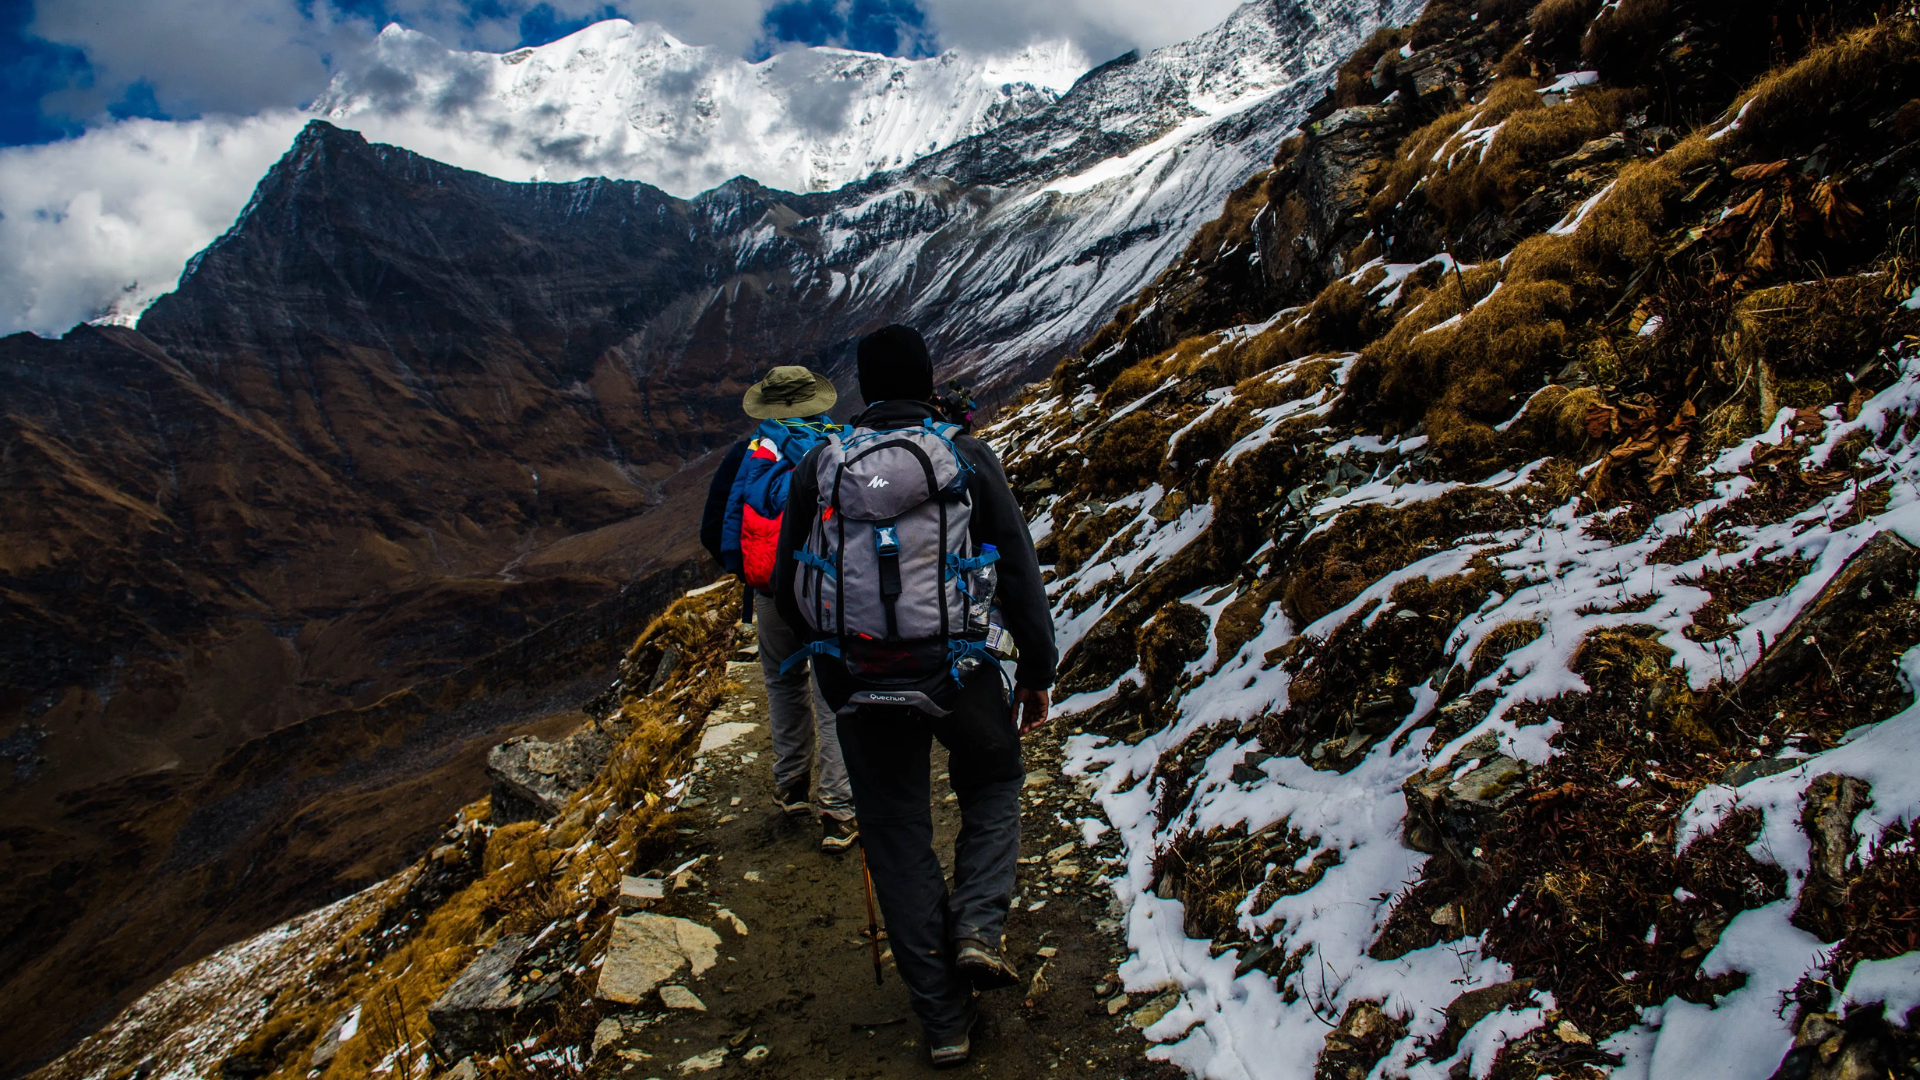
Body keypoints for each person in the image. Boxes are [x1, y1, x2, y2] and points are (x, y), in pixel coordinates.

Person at [773, 325, 1056, 1068]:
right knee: (994, 780)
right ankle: (977, 931)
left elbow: (787, 585)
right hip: (956, 671)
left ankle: (944, 1024)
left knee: (897, 836)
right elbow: (1018, 568)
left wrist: (833, 664)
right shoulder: (964, 458)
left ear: (864, 390)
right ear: (929, 381)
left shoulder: (820, 467)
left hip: (860, 681)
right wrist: (1036, 667)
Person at [702, 364, 859, 854]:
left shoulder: (748, 453)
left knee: (782, 682)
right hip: (830, 592)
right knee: (833, 691)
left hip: (771, 592)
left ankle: (791, 785)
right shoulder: (844, 446)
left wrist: (750, 571)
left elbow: (714, 527)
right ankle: (838, 809)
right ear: (818, 401)